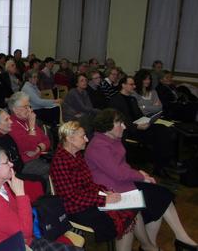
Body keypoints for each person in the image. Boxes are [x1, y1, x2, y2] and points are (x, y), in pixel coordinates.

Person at [86, 109, 198, 251]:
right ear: (108, 126)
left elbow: (121, 167)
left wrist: (139, 173)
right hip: (110, 189)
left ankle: (171, 240)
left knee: (161, 196)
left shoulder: (112, 139)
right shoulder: (98, 146)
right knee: (159, 197)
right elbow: (118, 173)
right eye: (120, 123)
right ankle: (153, 246)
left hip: (120, 183)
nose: (124, 127)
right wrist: (141, 176)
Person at [50, 121, 159, 250]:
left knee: (132, 210)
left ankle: (148, 247)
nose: (86, 139)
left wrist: (104, 192)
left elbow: (89, 183)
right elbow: (71, 196)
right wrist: (104, 199)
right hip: (76, 208)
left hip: (88, 199)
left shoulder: (76, 155)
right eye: (82, 136)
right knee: (126, 218)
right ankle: (149, 247)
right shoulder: (60, 161)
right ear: (69, 139)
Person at [0, 146, 76, 251]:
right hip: (11, 246)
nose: (11, 164)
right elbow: (25, 233)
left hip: (19, 240)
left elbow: (18, 217)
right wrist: (20, 195)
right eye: (6, 162)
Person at [109, 76, 177, 177]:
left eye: (134, 84)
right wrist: (136, 126)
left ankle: (163, 163)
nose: (134, 86)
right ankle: (161, 165)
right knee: (160, 136)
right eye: (131, 84)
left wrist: (148, 120)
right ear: (123, 85)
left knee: (163, 129)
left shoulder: (132, 99)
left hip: (140, 126)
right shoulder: (115, 100)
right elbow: (119, 120)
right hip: (128, 130)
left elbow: (139, 115)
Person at [8, 92, 51, 180]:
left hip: (39, 157)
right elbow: (30, 147)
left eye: (29, 106)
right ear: (15, 110)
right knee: (52, 170)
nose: (29, 110)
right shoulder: (11, 125)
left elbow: (47, 141)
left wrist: (38, 148)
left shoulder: (27, 120)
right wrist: (32, 126)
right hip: (25, 163)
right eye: (25, 107)